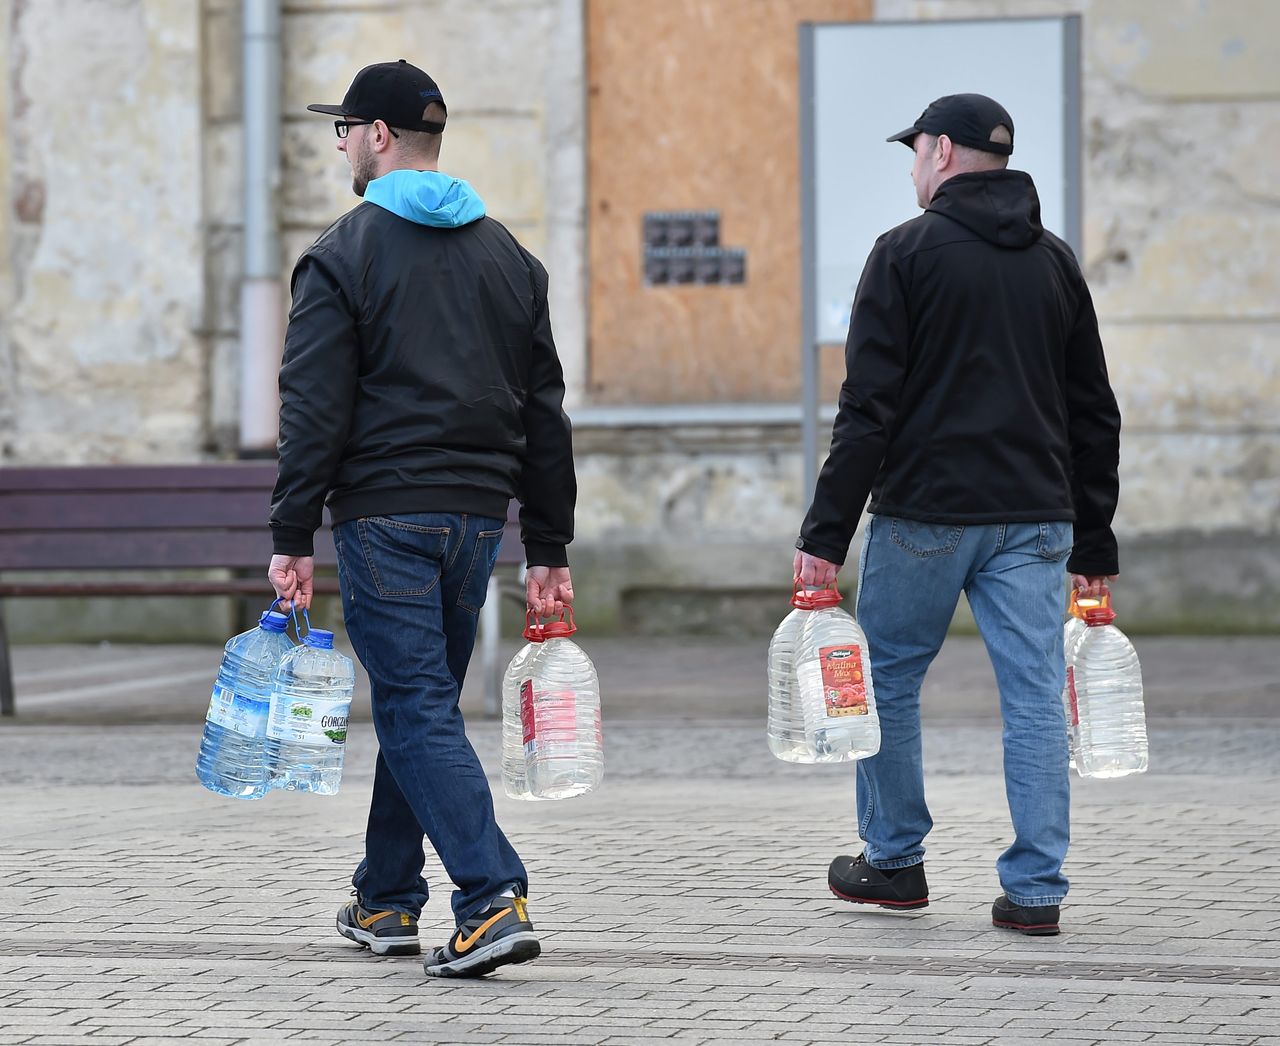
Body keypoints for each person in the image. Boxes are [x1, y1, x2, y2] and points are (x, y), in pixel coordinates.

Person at [266, 59, 576, 977]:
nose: (339, 143)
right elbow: (544, 413)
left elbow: (311, 407)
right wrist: (547, 542)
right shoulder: (510, 257)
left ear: (379, 138)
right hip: (477, 522)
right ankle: (387, 897)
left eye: (345, 128)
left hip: (387, 521)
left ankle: (490, 898)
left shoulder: (343, 252)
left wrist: (291, 534)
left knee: (410, 708)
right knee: (423, 708)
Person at [793, 94, 1120, 937]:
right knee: (1037, 696)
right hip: (1037, 518)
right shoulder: (1054, 262)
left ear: (940, 152)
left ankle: (895, 863)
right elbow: (1094, 411)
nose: (912, 165)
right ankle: (1036, 889)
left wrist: (824, 536)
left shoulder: (903, 254)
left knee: (890, 683)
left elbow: (868, 407)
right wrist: (1096, 536)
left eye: (915, 151)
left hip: (925, 516)